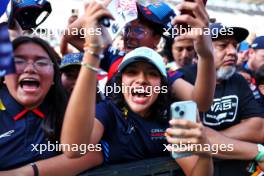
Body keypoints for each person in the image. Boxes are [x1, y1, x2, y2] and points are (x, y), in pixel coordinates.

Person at [63, 0, 216, 112]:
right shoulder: (114, 58)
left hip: (143, 153)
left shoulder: (163, 75)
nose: (129, 36)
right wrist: (104, 5)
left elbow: (200, 103)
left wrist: (206, 55)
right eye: (128, 29)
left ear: (156, 39)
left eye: (138, 31)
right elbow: (71, 35)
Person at [0, 36, 102, 175]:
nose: (30, 69)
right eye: (18, 61)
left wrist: (23, 173)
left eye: (41, 62)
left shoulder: (68, 111)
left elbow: (92, 153)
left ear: (54, 77)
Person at [179, 23, 264, 176]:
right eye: (223, 46)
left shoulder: (239, 80)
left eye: (234, 46)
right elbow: (187, 136)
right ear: (201, 49)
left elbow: (258, 128)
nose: (232, 52)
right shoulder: (182, 80)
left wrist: (214, 138)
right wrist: (253, 150)